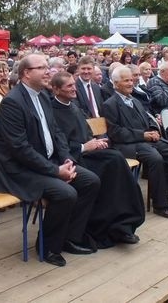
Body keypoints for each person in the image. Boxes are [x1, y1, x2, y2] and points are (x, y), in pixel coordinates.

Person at [0, 54, 100, 267]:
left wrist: (67, 159)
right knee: (65, 193)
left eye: (46, 67)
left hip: (47, 162)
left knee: (90, 181)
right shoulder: (12, 102)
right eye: (41, 67)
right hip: (20, 170)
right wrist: (55, 171)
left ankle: (70, 237)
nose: (48, 71)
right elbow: (20, 149)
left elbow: (57, 132)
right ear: (26, 73)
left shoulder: (42, 96)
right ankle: (47, 246)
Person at [50, 71, 145, 248]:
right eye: (69, 86)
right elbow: (58, 144)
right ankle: (104, 225)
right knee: (110, 166)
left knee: (117, 159)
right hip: (72, 158)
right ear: (56, 90)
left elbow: (85, 133)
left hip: (87, 153)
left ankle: (123, 224)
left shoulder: (74, 106)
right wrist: (85, 147)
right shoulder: (51, 111)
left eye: (73, 85)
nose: (74, 89)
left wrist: (97, 142)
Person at [102, 66, 168, 220]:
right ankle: (161, 205)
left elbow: (148, 119)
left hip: (148, 139)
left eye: (131, 79)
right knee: (156, 159)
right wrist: (143, 135)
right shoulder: (110, 104)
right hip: (129, 144)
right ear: (115, 83)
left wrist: (154, 130)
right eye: (126, 80)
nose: (131, 83)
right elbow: (116, 133)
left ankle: (160, 192)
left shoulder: (135, 100)